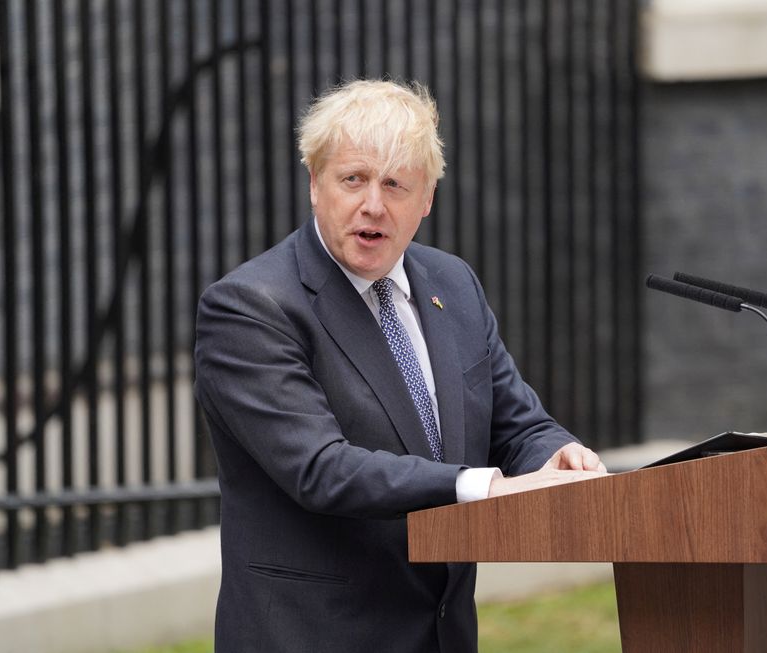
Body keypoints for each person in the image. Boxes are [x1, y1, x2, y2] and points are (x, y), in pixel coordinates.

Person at [194, 79, 607, 653]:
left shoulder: (453, 284)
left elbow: (518, 425)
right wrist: (481, 487)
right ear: (316, 185)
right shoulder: (250, 307)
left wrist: (557, 455)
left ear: (427, 199)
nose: (373, 204)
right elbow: (322, 469)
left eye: (395, 184)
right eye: (353, 179)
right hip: (313, 635)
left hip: (440, 633)